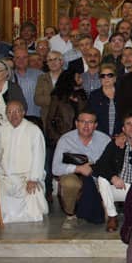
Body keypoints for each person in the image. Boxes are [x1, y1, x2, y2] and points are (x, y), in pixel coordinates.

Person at [52, 109, 111, 229]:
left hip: (97, 176)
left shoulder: (105, 140)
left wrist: (94, 168)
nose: (86, 125)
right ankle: (71, 215)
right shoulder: (65, 140)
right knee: (69, 183)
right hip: (75, 175)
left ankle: (103, 207)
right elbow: (55, 168)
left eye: (90, 122)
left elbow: (112, 164)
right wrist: (78, 168)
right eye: (83, 121)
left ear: (95, 125)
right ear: (76, 123)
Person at [0, 101, 48, 223]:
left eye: (17, 111)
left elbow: (39, 155)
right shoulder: (1, 130)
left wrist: (33, 178)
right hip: (6, 178)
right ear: (6, 115)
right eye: (10, 112)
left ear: (23, 112)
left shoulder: (33, 130)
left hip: (27, 178)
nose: (14, 115)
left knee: (33, 193)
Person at [93, 111, 132, 232]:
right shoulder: (116, 144)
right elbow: (99, 166)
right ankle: (112, 216)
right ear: (123, 129)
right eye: (128, 124)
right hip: (121, 187)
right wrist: (113, 177)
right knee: (102, 179)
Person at [43, 71, 87, 201]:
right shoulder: (57, 96)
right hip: (59, 138)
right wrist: (58, 139)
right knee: (51, 166)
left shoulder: (82, 95)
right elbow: (50, 120)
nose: (81, 79)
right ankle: (49, 192)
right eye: (78, 76)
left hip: (78, 140)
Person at [88, 63, 121, 138]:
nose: (106, 78)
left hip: (120, 137)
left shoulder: (123, 94)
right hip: (99, 136)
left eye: (110, 75)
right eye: (103, 76)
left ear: (115, 78)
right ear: (100, 79)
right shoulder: (94, 96)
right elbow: (91, 118)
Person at [12, 46, 43, 123]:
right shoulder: (8, 76)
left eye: (24, 57)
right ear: (14, 59)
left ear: (28, 59)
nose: (21, 60)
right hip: (15, 118)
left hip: (37, 118)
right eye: (18, 57)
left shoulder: (40, 75)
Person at [34, 51, 64, 125]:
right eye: (50, 60)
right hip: (47, 117)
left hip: (65, 116)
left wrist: (49, 99)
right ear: (47, 63)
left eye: (55, 59)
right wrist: (56, 99)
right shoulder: (42, 78)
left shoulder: (69, 76)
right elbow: (37, 99)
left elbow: (72, 97)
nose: (53, 62)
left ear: (61, 62)